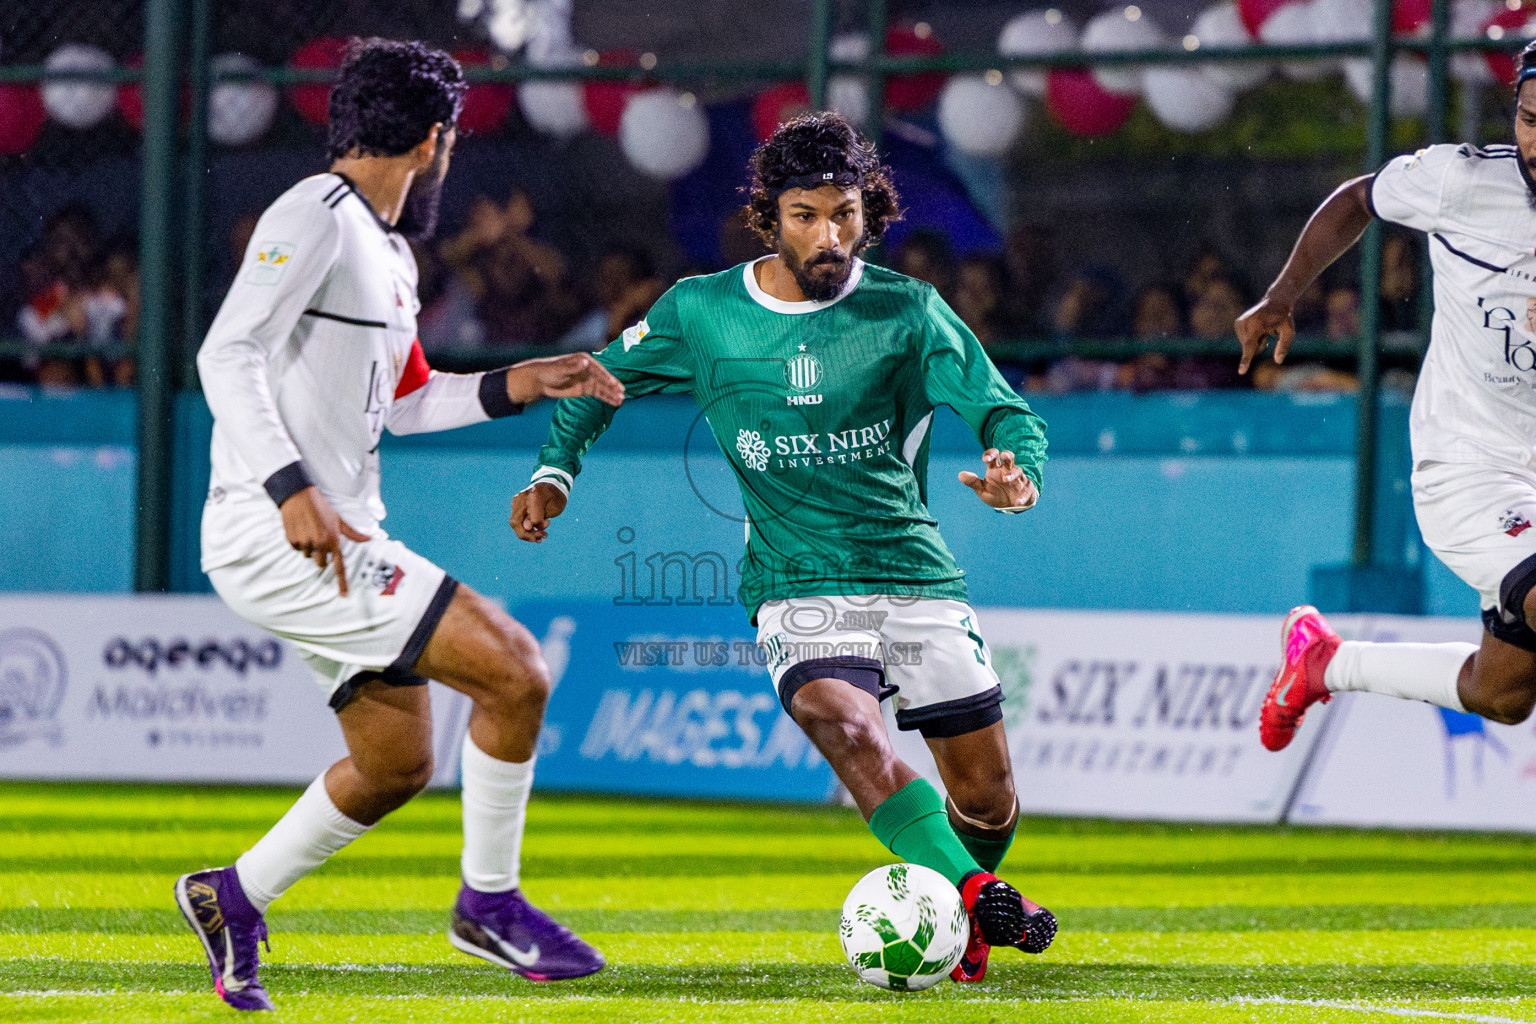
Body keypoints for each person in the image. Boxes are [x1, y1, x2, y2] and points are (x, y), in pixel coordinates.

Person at [510, 112, 1057, 983]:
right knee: (839, 717)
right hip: (794, 580)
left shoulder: (908, 310)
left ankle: (969, 894)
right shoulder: (703, 311)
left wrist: (1015, 474)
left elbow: (1004, 413)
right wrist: (554, 475)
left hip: (912, 574)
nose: (829, 234)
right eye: (806, 214)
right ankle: (977, 894)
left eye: (845, 213)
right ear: (769, 216)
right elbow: (594, 384)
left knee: (986, 798)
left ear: (868, 214)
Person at [179, 39, 622, 1011]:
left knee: (395, 763)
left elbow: (409, 400)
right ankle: (489, 903)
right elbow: (227, 353)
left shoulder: (386, 251)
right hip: (279, 527)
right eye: (451, 144)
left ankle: (232, 895)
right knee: (515, 668)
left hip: (332, 533)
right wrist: (293, 484)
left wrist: (523, 382)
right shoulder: (317, 214)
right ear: (434, 140)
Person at [1235, 39, 1536, 753]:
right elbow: (1357, 199)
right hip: (1471, 470)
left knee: (1502, 692)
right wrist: (1281, 296)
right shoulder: (1459, 183)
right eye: (1529, 119)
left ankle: (1325, 662)